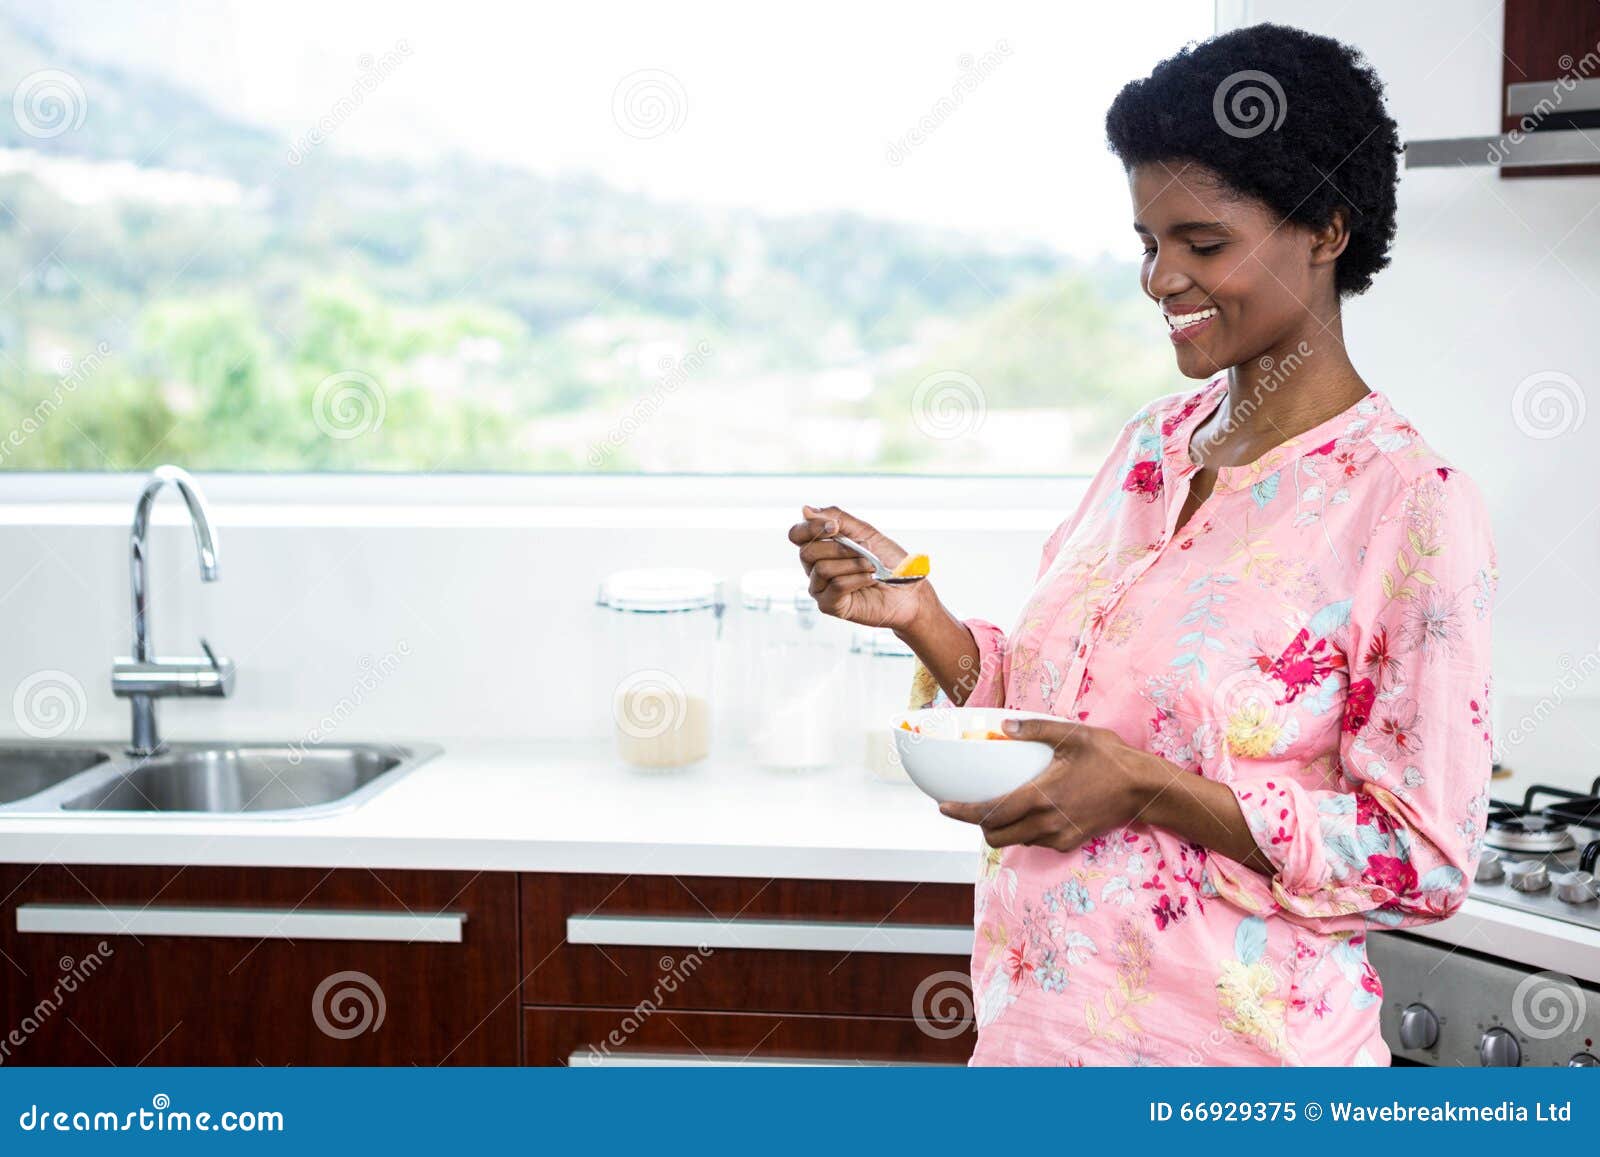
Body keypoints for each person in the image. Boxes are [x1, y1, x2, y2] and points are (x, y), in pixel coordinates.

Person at [788, 22, 1497, 1065]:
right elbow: (1065, 725)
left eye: (1201, 243)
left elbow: (1421, 857)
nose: (1160, 279)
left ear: (1327, 229)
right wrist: (923, 620)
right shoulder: (1147, 449)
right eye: (1147, 243)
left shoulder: (1406, 501)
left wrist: (1151, 788)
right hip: (1036, 1049)